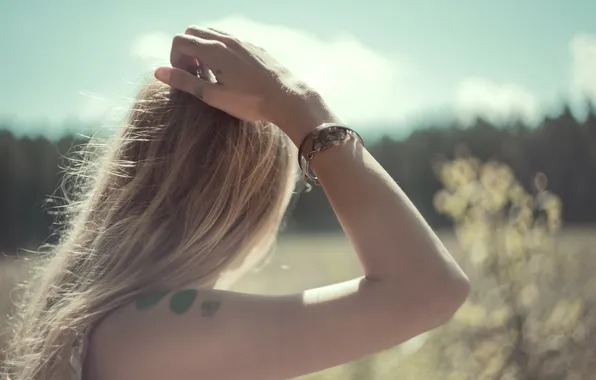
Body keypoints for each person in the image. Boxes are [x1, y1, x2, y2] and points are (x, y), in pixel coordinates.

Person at [4, 27, 470, 380]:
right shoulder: (160, 332)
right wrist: (301, 106)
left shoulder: (86, 322)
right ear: (252, 201)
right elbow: (429, 290)